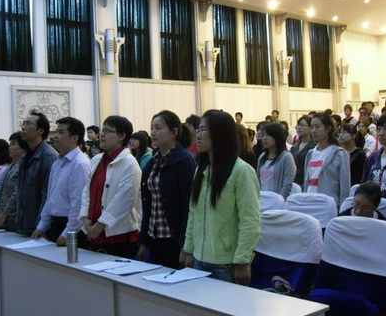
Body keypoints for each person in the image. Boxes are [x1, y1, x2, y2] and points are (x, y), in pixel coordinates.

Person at [182, 110, 260, 285]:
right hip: (199, 258)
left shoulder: (242, 171)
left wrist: (242, 260)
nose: (198, 135)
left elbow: (250, 220)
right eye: (198, 130)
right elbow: (193, 214)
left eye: (203, 130)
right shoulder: (201, 170)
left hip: (227, 263)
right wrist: (188, 249)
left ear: (219, 133)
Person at [137, 110, 197, 269]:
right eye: (152, 128)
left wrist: (186, 246)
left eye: (158, 128)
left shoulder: (184, 161)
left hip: (174, 239)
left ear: (174, 132)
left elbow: (189, 207)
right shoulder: (153, 161)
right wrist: (143, 241)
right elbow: (148, 204)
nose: (153, 132)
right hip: (154, 237)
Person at [79, 115, 141, 258]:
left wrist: (101, 224)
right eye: (102, 130)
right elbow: (87, 191)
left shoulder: (129, 163)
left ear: (121, 136)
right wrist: (85, 217)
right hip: (92, 231)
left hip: (118, 237)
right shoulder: (96, 160)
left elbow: (124, 199)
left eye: (107, 131)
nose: (102, 134)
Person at [32, 117, 91, 245]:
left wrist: (68, 233)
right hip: (55, 223)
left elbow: (79, 203)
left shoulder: (80, 164)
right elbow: (50, 197)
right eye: (56, 132)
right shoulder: (57, 163)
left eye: (61, 132)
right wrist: (42, 226)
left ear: (75, 138)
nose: (55, 136)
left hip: (72, 227)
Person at [16, 111, 58, 236]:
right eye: (23, 123)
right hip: (24, 222)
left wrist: (41, 225)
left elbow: (47, 195)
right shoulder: (25, 156)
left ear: (40, 130)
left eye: (28, 124)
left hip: (39, 226)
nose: (23, 127)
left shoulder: (49, 156)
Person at [303, 113, 350, 206]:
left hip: (328, 205)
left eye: (317, 127)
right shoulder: (310, 154)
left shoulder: (339, 154)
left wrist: (343, 209)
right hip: (310, 204)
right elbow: (307, 183)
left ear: (328, 129)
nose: (313, 131)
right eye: (311, 127)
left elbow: (345, 186)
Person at [0, 132, 28, 231]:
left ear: (23, 148)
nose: (10, 148)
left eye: (13, 144)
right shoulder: (10, 166)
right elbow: (0, 189)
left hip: (13, 215)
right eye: (10, 144)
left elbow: (17, 192)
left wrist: (5, 213)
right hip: (0, 214)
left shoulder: (23, 166)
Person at [256, 122, 296, 199]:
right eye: (263, 135)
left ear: (277, 136)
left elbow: (287, 185)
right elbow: (258, 181)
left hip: (277, 201)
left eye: (268, 135)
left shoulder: (286, 157)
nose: (264, 138)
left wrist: (279, 201)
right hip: (262, 200)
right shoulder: (262, 157)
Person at [291, 115, 316, 186]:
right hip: (294, 182)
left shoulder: (315, 147)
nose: (299, 128)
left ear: (310, 128)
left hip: (307, 182)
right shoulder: (294, 147)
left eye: (302, 125)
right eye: (298, 125)